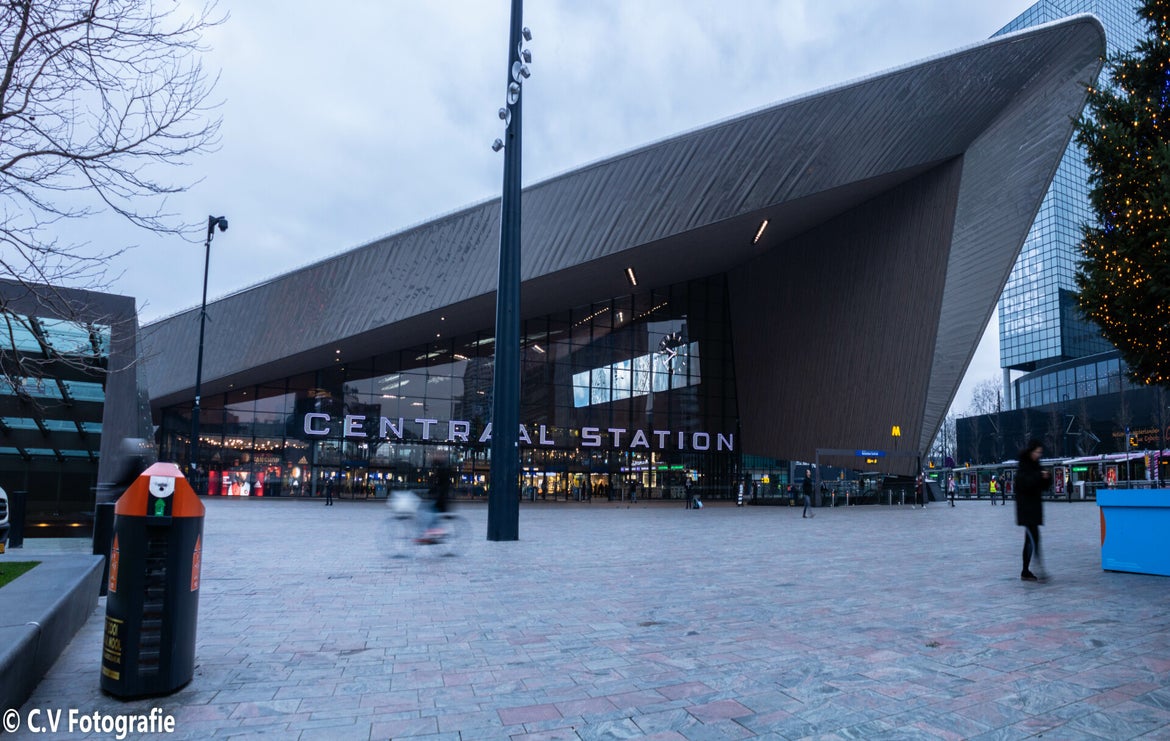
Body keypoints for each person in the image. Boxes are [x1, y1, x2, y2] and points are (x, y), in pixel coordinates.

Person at [1015, 439, 1051, 581]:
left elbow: (1042, 486)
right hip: (1026, 510)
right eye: (1037, 452)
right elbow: (1025, 483)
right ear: (1031, 451)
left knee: (1030, 539)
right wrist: (1039, 476)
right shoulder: (1024, 465)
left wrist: (1047, 478)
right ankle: (1037, 566)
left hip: (1034, 509)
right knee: (1033, 538)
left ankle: (1026, 570)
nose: (1038, 455)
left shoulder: (1036, 465)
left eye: (1040, 453)